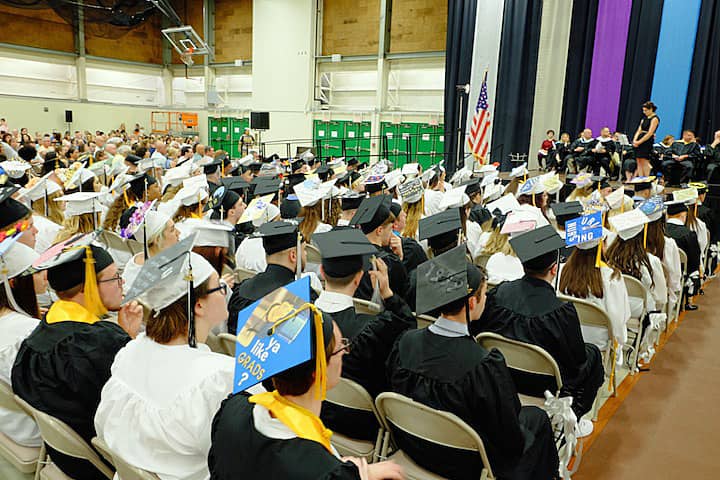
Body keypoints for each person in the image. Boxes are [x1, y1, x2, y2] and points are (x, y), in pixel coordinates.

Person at [387, 246, 558, 479]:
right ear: (471, 304)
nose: (486, 299)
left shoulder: (405, 343)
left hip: (416, 445)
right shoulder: (483, 364)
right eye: (484, 294)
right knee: (537, 419)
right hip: (465, 462)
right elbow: (508, 435)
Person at [208, 298, 404, 479]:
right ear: (317, 373)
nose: (345, 352)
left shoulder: (231, 409)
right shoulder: (322, 471)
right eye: (340, 348)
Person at [95, 253, 241, 480]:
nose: (225, 292)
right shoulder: (219, 377)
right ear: (199, 305)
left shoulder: (130, 351)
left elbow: (103, 428)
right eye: (218, 287)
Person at [12, 239, 143, 480]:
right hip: (102, 459)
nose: (121, 284)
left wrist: (123, 336)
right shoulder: (98, 342)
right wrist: (127, 340)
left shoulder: (42, 331)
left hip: (65, 454)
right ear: (89, 286)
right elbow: (131, 408)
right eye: (114, 277)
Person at [473, 226, 605, 427]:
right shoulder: (561, 312)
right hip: (543, 385)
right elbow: (575, 364)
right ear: (554, 269)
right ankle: (573, 417)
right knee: (592, 354)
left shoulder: (499, 293)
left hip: (501, 372)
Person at [313, 229, 416, 441]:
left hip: (312, 409)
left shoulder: (299, 315)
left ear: (322, 272)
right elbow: (407, 325)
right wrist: (386, 292)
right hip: (357, 424)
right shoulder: (371, 329)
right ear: (359, 278)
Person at [228, 220, 312, 335]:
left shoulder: (241, 290)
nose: (306, 254)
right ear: (293, 255)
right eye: (304, 250)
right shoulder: (302, 297)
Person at [0, 241, 45, 448]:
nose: (45, 274)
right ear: (13, 283)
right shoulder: (28, 333)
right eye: (37, 271)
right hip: (33, 430)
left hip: (7, 422)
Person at [559, 229, 631, 355]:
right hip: (598, 344)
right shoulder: (611, 277)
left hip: (567, 338)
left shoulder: (563, 271)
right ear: (600, 245)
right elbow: (618, 319)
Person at [350, 195, 409, 302]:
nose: (392, 234)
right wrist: (399, 258)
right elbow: (402, 298)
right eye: (390, 228)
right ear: (380, 230)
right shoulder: (389, 262)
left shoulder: (350, 254)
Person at [665, 200, 702, 310]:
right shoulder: (689, 234)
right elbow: (694, 261)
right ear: (683, 215)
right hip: (680, 275)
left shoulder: (659, 232)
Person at [633, 101, 660, 178]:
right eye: (643, 110)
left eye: (646, 110)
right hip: (639, 139)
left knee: (644, 160)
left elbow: (650, 133)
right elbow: (639, 130)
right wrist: (635, 140)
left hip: (646, 141)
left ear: (651, 109)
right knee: (639, 160)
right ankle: (640, 177)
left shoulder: (655, 119)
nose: (644, 112)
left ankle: (645, 178)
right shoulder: (644, 119)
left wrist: (639, 142)